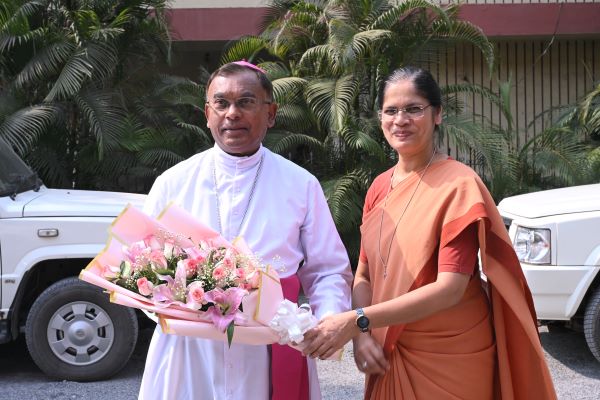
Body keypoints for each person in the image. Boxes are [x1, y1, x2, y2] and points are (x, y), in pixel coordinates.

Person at [301, 66, 557, 399]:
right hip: (389, 352)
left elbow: (450, 288)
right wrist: (363, 337)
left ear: (437, 114)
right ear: (380, 118)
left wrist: (358, 321)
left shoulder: (458, 185)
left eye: (413, 109)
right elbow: (364, 275)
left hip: (451, 356)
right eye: (391, 110)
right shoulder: (379, 187)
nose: (400, 120)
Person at [138, 61, 353, 400]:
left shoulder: (300, 184)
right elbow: (143, 271)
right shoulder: (173, 183)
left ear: (271, 113)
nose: (232, 113)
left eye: (246, 102)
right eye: (221, 103)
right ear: (207, 114)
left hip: (270, 346)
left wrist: (326, 321)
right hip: (189, 351)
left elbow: (327, 269)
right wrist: (178, 307)